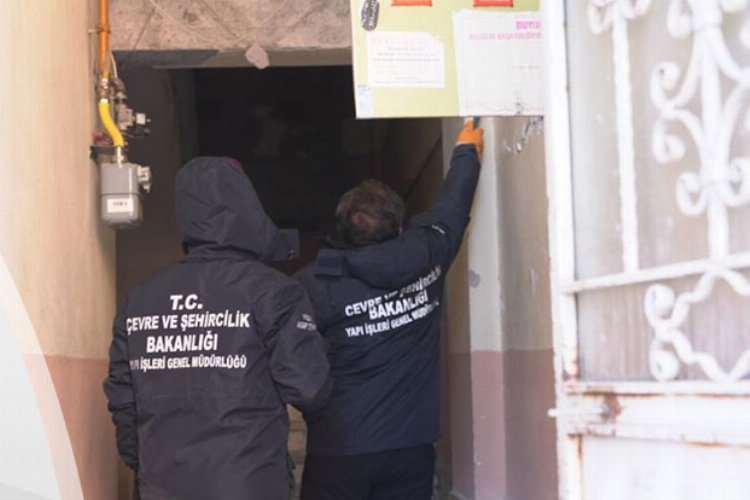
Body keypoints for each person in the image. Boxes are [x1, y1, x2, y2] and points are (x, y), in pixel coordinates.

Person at [104, 157, 331, 500]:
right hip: (249, 485)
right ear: (248, 209)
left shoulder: (140, 299)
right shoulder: (273, 292)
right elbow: (310, 389)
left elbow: (124, 401)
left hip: (163, 487)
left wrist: (150, 468)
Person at [296, 120, 484, 500]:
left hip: (339, 448)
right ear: (399, 228)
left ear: (340, 232)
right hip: (409, 447)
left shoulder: (315, 283)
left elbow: (290, 355)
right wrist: (467, 149)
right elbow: (454, 202)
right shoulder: (429, 253)